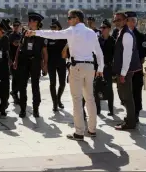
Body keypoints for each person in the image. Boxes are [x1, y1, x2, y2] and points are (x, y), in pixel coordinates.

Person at [25, 9, 104, 141]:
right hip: (90, 67)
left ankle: (79, 132)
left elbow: (53, 34)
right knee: (90, 99)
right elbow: (99, 52)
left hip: (77, 67)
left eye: (69, 18)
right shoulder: (91, 33)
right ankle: (92, 129)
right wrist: (100, 68)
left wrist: (35, 32)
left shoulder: (72, 31)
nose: (67, 20)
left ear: (77, 18)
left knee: (77, 100)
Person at [14, 12, 48, 118]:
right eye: (30, 21)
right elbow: (19, 47)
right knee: (22, 86)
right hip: (24, 61)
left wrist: (45, 65)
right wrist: (15, 61)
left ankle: (36, 109)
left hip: (35, 62)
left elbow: (45, 52)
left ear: (38, 23)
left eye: (33, 21)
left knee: (35, 86)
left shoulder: (41, 34)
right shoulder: (25, 33)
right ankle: (23, 109)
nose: (31, 22)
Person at [112, 12, 142, 130]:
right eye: (115, 20)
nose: (116, 22)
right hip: (124, 70)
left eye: (119, 20)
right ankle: (130, 119)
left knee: (127, 96)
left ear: (125, 20)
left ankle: (130, 122)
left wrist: (123, 73)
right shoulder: (122, 32)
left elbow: (127, 55)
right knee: (125, 96)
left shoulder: (126, 34)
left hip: (126, 71)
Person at [125, 11, 146, 122]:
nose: (132, 22)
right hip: (124, 70)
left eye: (134, 20)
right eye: (130, 20)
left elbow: (143, 56)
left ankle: (136, 113)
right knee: (126, 93)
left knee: (136, 92)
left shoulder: (141, 36)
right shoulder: (120, 34)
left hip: (136, 70)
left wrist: (135, 67)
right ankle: (129, 112)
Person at [46, 19, 68, 112]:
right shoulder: (48, 38)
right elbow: (44, 52)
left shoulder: (64, 38)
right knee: (52, 84)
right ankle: (54, 103)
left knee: (62, 84)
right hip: (51, 63)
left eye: (54, 27)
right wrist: (44, 64)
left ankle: (58, 99)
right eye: (51, 27)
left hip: (61, 63)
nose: (52, 29)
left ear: (59, 28)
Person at [96, 19, 116, 116]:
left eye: (104, 28)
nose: (102, 29)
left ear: (109, 29)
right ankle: (98, 109)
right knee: (97, 88)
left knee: (109, 88)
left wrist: (114, 71)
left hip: (108, 68)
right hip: (98, 68)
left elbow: (115, 56)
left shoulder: (113, 41)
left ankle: (111, 109)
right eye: (101, 28)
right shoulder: (97, 40)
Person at [9, 18, 22, 105]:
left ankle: (14, 92)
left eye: (18, 25)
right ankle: (14, 93)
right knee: (15, 78)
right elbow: (15, 43)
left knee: (20, 78)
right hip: (13, 60)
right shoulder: (11, 35)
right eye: (14, 25)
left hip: (21, 60)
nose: (16, 27)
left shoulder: (21, 35)